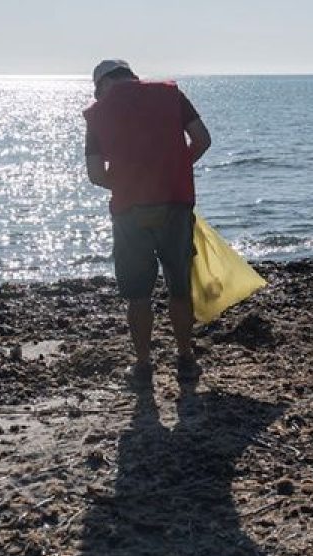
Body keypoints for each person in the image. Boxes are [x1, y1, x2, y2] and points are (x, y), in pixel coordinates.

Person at [83, 59, 212, 390]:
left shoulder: (97, 114)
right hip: (175, 203)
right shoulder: (171, 95)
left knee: (138, 294)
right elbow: (202, 139)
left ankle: (143, 366)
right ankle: (185, 359)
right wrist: (176, 170)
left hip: (129, 211)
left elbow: (96, 174)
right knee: (179, 287)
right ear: (132, 76)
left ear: (101, 86)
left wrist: (129, 182)